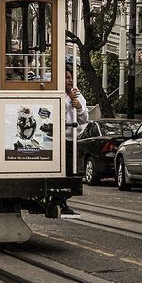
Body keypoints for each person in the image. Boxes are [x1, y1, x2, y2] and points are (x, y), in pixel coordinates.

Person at [63, 64, 88, 215]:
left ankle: (63, 199)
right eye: (67, 77)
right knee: (63, 172)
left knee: (72, 172)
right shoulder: (57, 94)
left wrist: (78, 106)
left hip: (72, 139)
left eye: (71, 77)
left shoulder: (78, 95)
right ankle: (60, 201)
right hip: (59, 139)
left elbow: (85, 119)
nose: (70, 80)